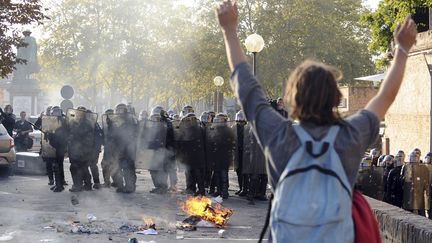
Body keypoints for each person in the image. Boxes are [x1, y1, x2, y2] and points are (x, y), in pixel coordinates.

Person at [216, 1, 417, 242]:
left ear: (293, 97)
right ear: (337, 96)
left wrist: (229, 30)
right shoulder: (350, 136)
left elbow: (246, 83)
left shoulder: (279, 135)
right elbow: (385, 95)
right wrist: (403, 50)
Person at [45, 106, 68, 192]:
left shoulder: (62, 121)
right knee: (58, 165)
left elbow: (59, 133)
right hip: (56, 145)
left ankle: (59, 185)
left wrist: (50, 134)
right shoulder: (58, 120)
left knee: (57, 165)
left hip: (59, 146)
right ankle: (59, 183)